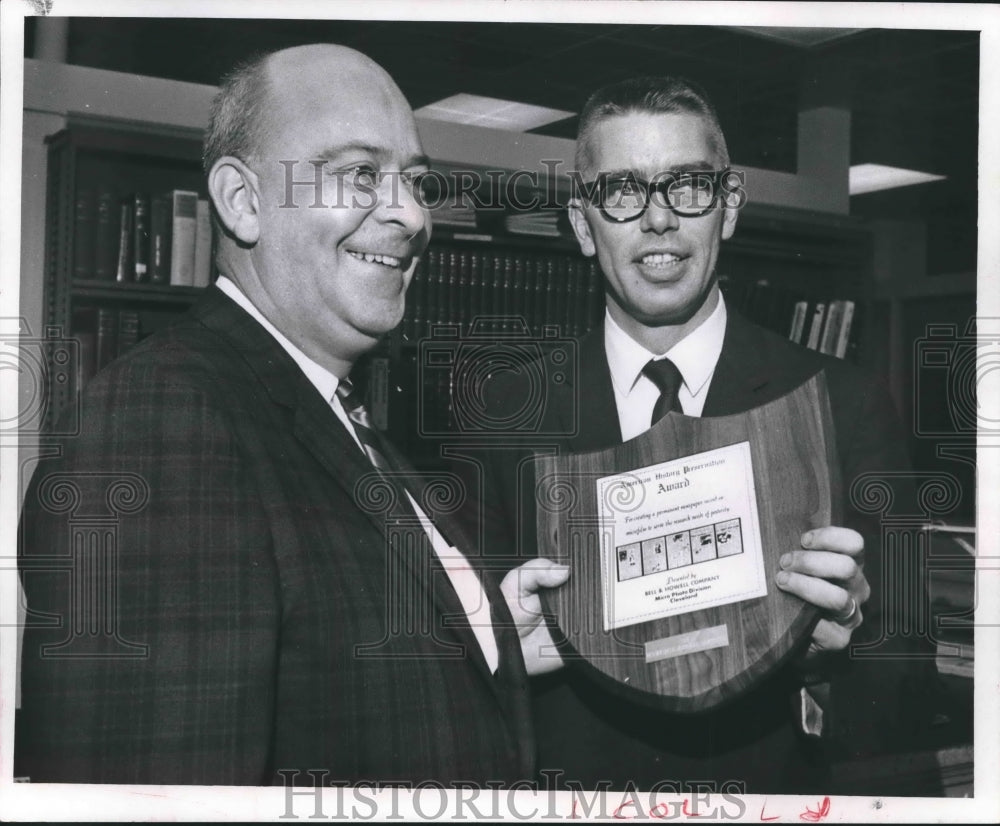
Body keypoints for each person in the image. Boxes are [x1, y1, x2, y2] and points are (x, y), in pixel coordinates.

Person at [16, 43, 567, 786]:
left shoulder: (338, 415)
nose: (409, 215)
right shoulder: (162, 423)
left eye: (414, 180)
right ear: (243, 203)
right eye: (360, 174)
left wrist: (489, 636)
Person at [476, 76, 936, 793]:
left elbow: (906, 678)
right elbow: (453, 687)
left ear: (726, 210)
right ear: (580, 223)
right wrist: (500, 650)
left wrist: (834, 652)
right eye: (623, 191)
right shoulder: (502, 417)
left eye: (687, 187)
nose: (658, 219)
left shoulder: (843, 402)